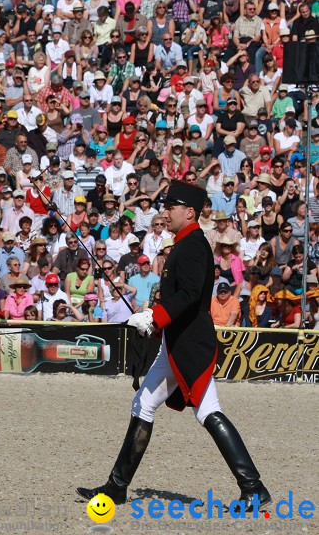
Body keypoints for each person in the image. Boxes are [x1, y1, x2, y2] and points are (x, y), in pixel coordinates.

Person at [78, 180, 271, 511]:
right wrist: (155, 318)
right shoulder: (185, 242)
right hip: (176, 343)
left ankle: (253, 488)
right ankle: (117, 487)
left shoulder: (193, 244)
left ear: (190, 212)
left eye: (170, 207)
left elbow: (190, 294)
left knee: (207, 411)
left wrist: (155, 317)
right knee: (144, 404)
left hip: (189, 345)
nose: (165, 212)